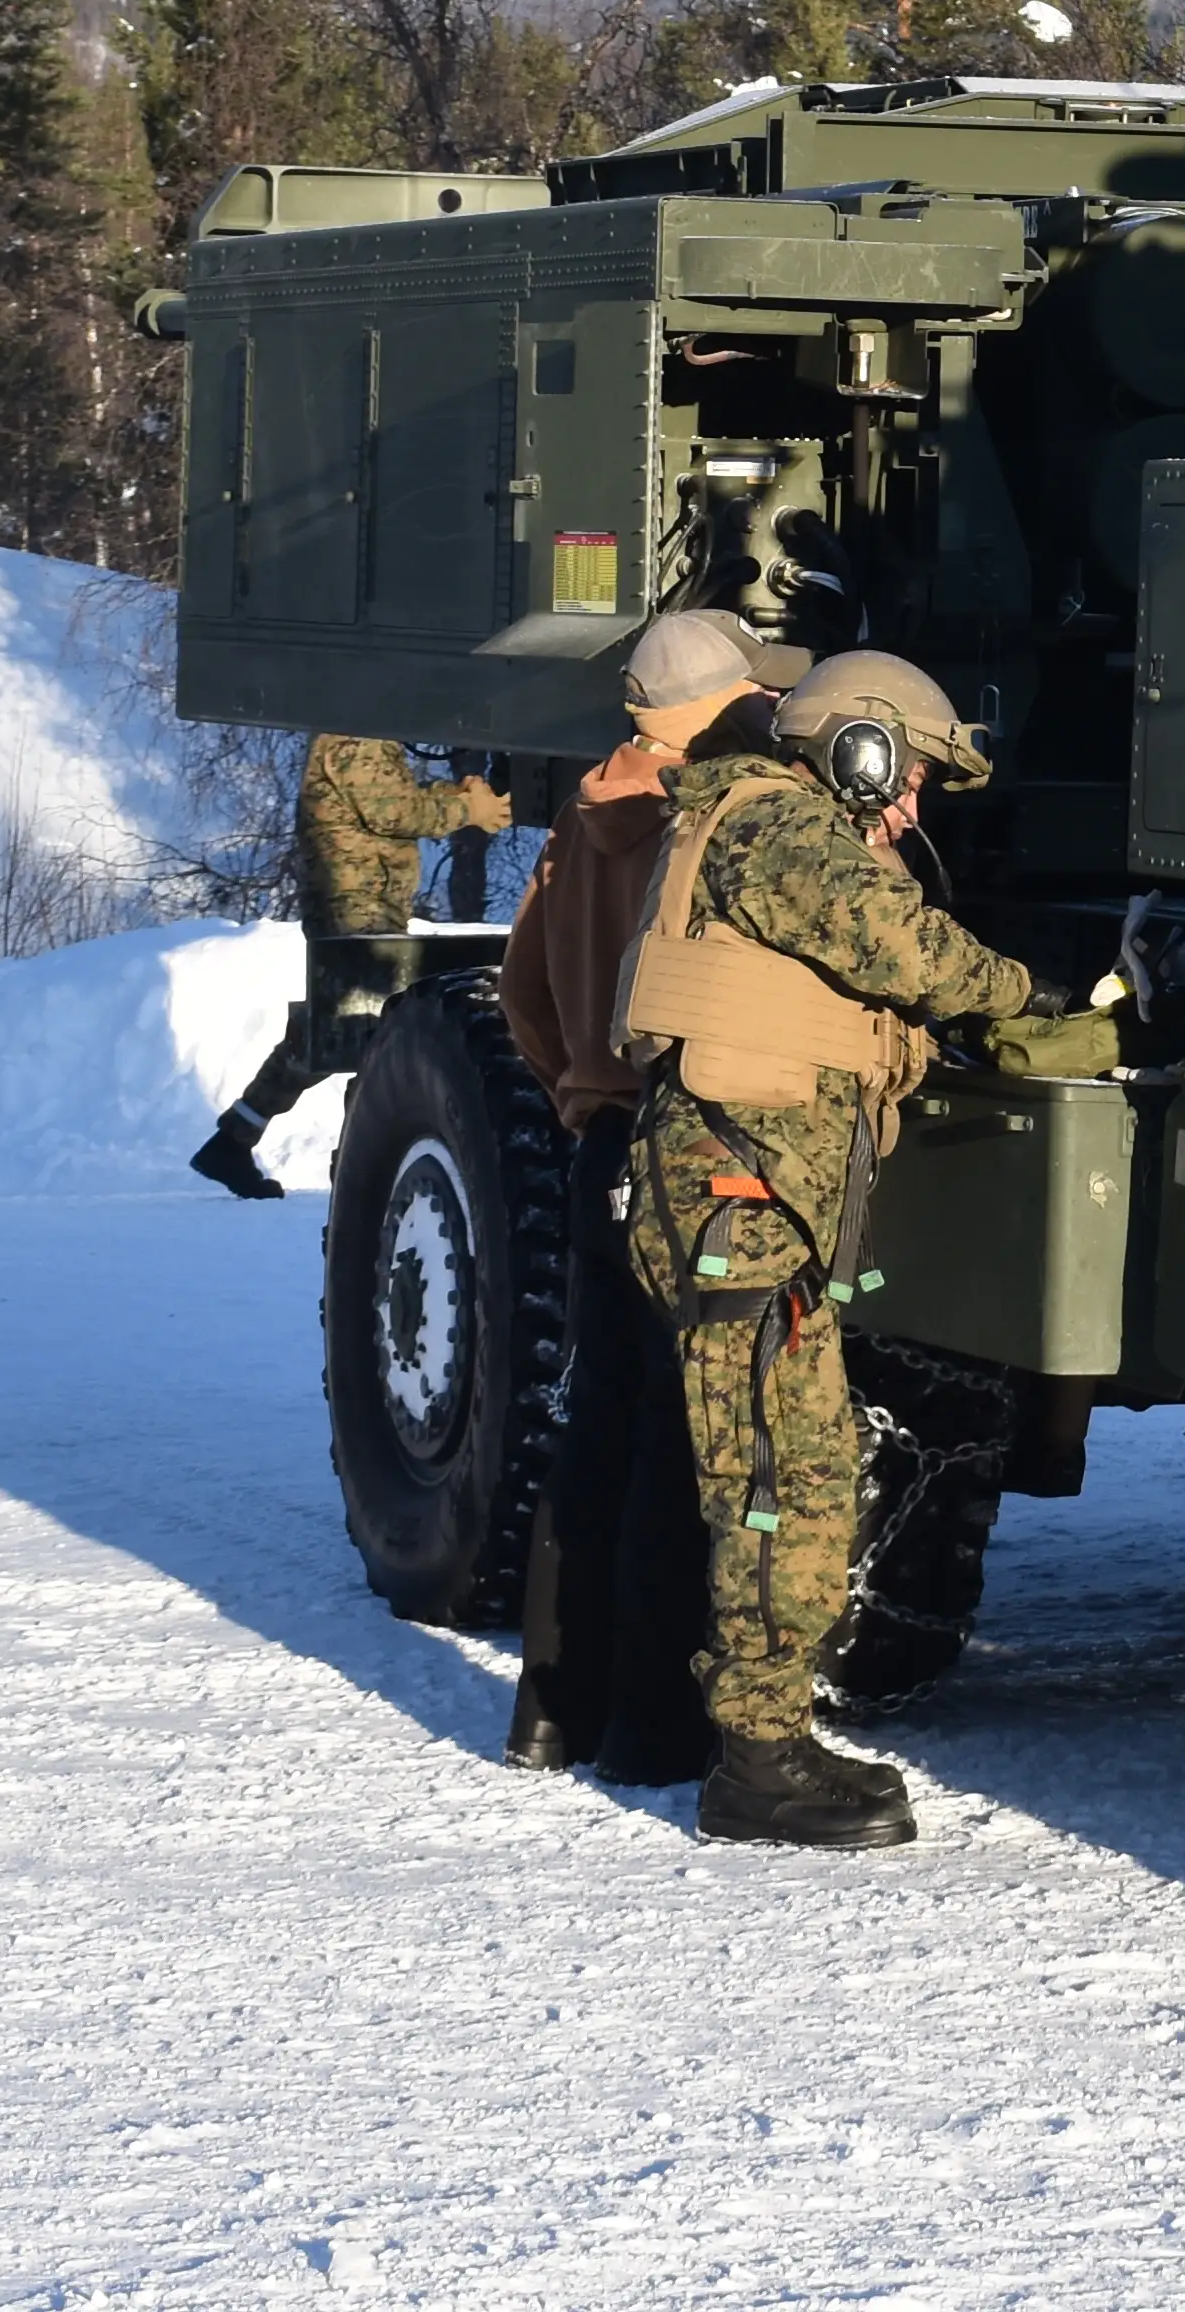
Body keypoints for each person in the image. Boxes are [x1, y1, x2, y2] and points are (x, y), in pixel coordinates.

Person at [614, 647, 1042, 1851]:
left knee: (796, 1465)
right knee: (774, 1478)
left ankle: (768, 1737)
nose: (910, 810)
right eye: (910, 778)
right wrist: (1027, 989)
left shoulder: (773, 823)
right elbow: (908, 949)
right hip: (739, 1204)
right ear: (857, 748)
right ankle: (756, 1760)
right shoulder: (782, 830)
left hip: (763, 1204)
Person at [484, 612, 779, 1784]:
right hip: (681, 1146)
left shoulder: (582, 814)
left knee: (592, 1423)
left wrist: (577, 1090)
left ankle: (554, 1712)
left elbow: (520, 987)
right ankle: (657, 1727)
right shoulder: (706, 823)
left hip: (599, 1142)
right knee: (679, 1437)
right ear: (721, 705)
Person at [191, 733, 513, 1198]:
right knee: (373, 1034)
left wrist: (457, 794)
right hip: (355, 910)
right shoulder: (354, 738)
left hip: (365, 908)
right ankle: (359, 1173)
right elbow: (393, 811)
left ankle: (235, 1140)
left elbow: (392, 798)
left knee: (330, 1034)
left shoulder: (365, 737)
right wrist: (467, 809)